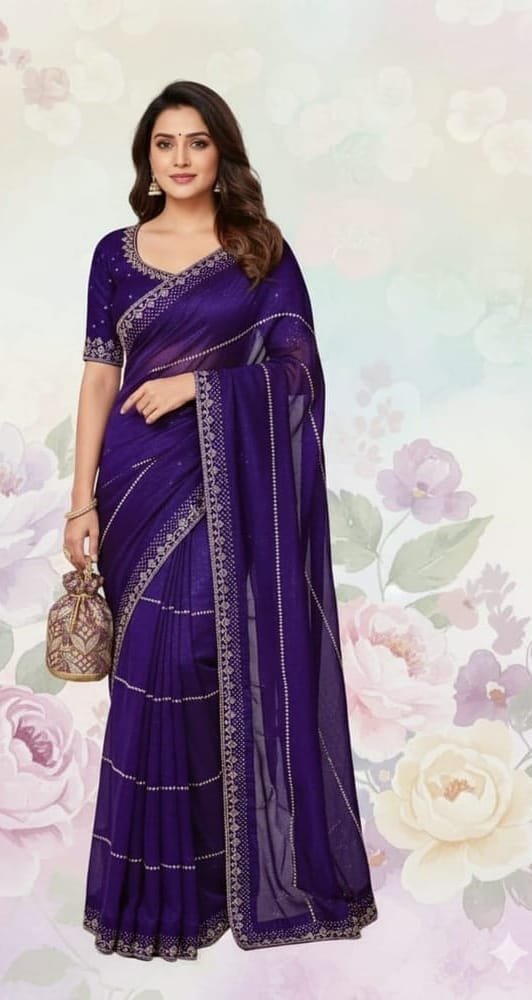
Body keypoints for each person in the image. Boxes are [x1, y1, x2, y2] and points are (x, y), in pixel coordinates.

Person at [64, 79, 378, 962]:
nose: (181, 158)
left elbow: (299, 371)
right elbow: (98, 376)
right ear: (146, 158)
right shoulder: (115, 254)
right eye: (165, 143)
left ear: (221, 153)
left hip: (221, 481)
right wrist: (80, 498)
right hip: (134, 484)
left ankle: (222, 874)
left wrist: (199, 388)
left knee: (195, 655)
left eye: (197, 142)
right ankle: (155, 899)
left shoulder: (258, 252)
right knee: (147, 672)